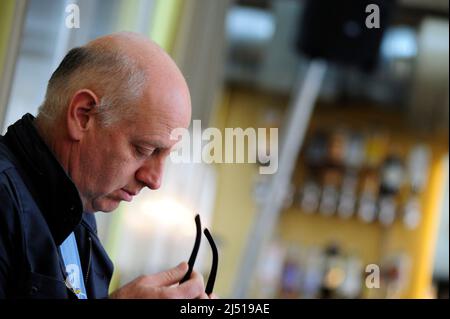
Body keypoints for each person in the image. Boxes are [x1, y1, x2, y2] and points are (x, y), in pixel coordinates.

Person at [0, 32, 213, 299]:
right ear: (84, 115)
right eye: (144, 149)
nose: (155, 180)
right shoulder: (5, 200)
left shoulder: (76, 211)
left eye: (166, 155)